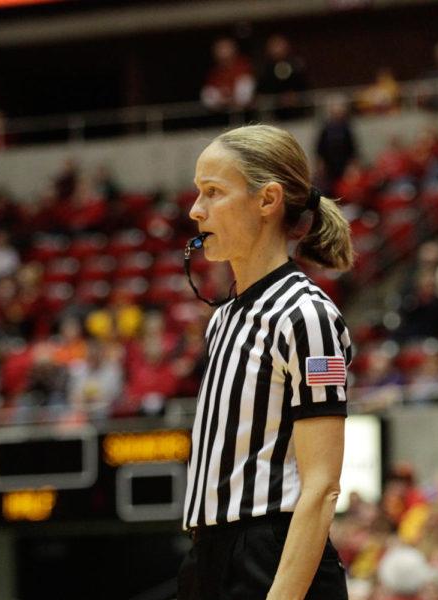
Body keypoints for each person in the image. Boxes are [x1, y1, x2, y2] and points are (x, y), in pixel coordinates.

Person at [179, 124, 355, 600]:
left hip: (272, 558)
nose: (196, 210)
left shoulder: (307, 315)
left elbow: (321, 487)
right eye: (199, 193)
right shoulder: (223, 318)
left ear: (267, 200)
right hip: (209, 554)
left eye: (213, 192)